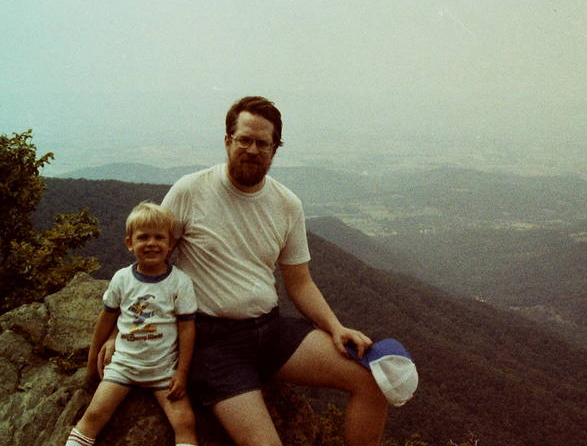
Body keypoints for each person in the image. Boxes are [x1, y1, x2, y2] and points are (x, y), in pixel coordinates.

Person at [161, 95, 388, 445]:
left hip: (269, 331)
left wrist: (335, 327)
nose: (252, 150)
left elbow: (300, 283)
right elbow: (152, 265)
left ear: (275, 149)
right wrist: (123, 330)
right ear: (227, 140)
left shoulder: (286, 204)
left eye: (263, 143)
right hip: (212, 342)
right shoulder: (190, 191)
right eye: (244, 140)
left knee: (374, 380)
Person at [65, 202, 198, 446]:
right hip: (123, 367)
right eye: (143, 237)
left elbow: (187, 328)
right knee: (94, 415)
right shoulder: (122, 279)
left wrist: (182, 373)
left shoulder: (180, 283)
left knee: (185, 422)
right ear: (130, 243)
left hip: (163, 370)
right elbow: (106, 318)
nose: (151, 243)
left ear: (171, 244)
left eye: (159, 237)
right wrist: (92, 364)